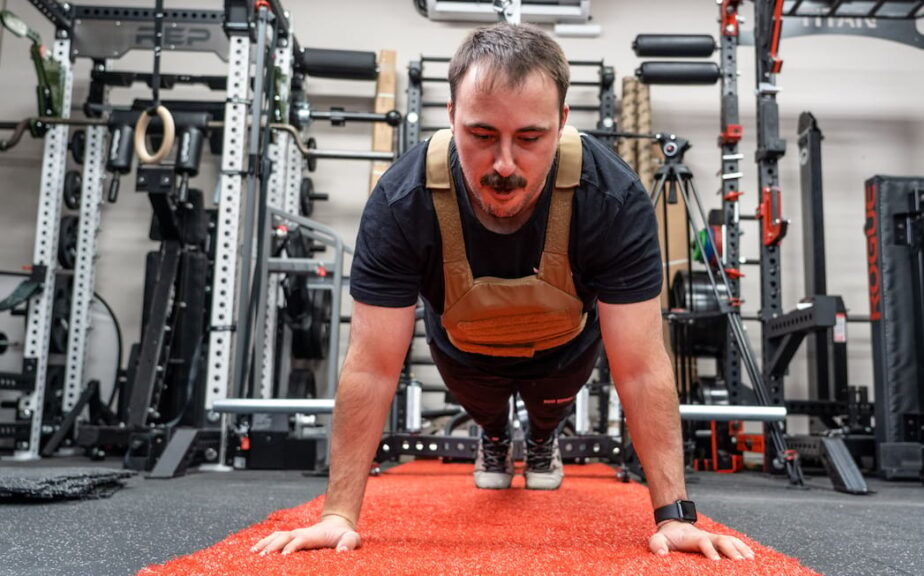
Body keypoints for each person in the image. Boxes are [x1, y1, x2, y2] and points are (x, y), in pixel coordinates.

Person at [252, 23, 754, 561]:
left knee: (546, 414)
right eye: (483, 135)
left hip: (564, 355)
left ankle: (540, 442)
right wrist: (337, 515)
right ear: (450, 117)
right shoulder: (402, 202)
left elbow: (641, 366)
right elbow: (373, 365)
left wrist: (674, 516)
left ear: (563, 124)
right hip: (465, 354)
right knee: (487, 412)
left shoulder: (612, 199)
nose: (505, 165)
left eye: (531, 138)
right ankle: (493, 438)